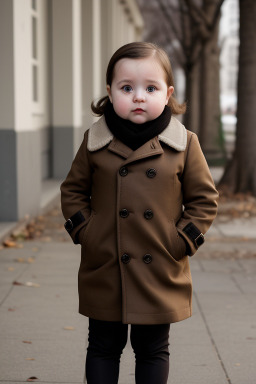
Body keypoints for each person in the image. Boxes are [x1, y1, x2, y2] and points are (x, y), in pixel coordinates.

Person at [60, 42, 218, 384]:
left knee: (153, 349)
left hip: (160, 263)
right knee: (102, 346)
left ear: (168, 93)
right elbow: (72, 191)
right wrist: (87, 233)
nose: (138, 97)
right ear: (110, 92)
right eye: (126, 88)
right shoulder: (94, 141)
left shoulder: (184, 143)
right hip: (105, 264)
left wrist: (180, 242)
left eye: (151, 88)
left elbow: (204, 200)